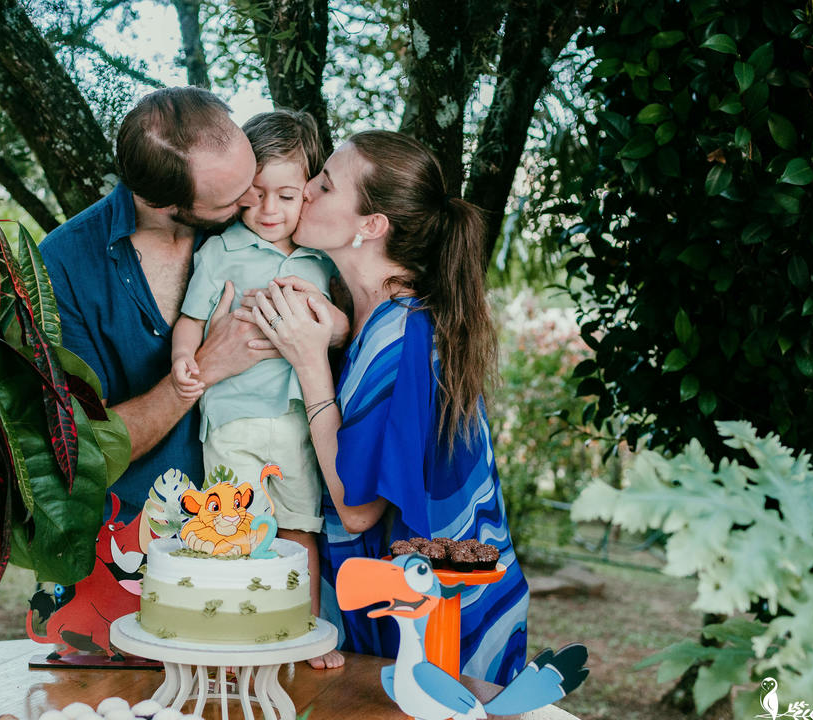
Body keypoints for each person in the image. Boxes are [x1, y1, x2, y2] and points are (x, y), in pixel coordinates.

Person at [246, 130, 529, 685]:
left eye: (324, 185)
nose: (303, 191)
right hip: (416, 614)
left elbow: (357, 509)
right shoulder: (388, 320)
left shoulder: (401, 338)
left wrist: (308, 363)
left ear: (370, 227)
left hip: (444, 633)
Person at [39, 87, 271, 521]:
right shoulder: (62, 265)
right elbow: (82, 447)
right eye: (229, 200)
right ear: (162, 204)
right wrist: (205, 366)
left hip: (258, 519)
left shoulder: (260, 223)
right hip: (127, 539)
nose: (254, 201)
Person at [169, 111, 342, 669]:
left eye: (286, 196)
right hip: (232, 418)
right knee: (232, 529)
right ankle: (238, 632)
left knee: (299, 527)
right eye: (255, 196)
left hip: (298, 421)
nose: (270, 211)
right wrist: (183, 359)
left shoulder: (321, 261)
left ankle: (305, 630)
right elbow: (192, 319)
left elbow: (340, 328)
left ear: (308, 194)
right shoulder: (219, 252)